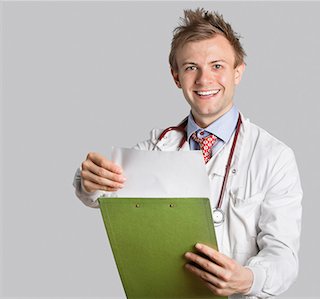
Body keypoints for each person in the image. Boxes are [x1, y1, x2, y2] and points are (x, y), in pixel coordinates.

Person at [73, 8, 303, 298]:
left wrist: (248, 279)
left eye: (217, 65)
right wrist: (89, 180)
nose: (205, 79)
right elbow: (104, 195)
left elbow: (284, 256)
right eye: (191, 67)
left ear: (238, 72)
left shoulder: (274, 157)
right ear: (176, 77)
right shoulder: (157, 147)